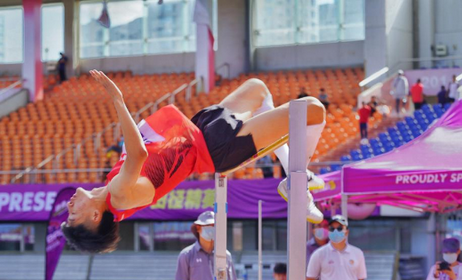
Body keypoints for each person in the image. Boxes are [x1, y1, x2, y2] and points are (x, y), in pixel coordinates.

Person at [62, 70, 327, 254]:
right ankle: (298, 181)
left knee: (257, 88)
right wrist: (118, 100)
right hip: (215, 149)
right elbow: (138, 154)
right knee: (313, 109)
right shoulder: (119, 196)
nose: (70, 205)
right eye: (74, 214)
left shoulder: (111, 187)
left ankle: (293, 173)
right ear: (96, 216)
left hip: (200, 129)